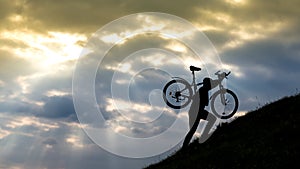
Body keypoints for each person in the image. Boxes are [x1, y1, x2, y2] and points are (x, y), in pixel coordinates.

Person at [182, 76, 223, 149]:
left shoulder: (205, 89)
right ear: (206, 84)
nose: (210, 85)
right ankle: (186, 146)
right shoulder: (203, 90)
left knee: (193, 130)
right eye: (209, 84)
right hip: (196, 112)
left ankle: (186, 146)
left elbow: (214, 84)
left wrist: (221, 78)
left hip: (197, 112)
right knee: (193, 130)